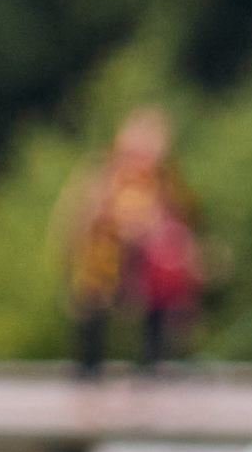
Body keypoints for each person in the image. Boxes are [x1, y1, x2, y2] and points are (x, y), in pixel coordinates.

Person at [62, 111, 204, 378]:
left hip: (144, 261)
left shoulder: (161, 182)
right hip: (107, 256)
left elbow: (175, 219)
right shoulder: (108, 176)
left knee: (157, 307)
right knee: (94, 307)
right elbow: (86, 217)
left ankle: (151, 365)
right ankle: (90, 370)